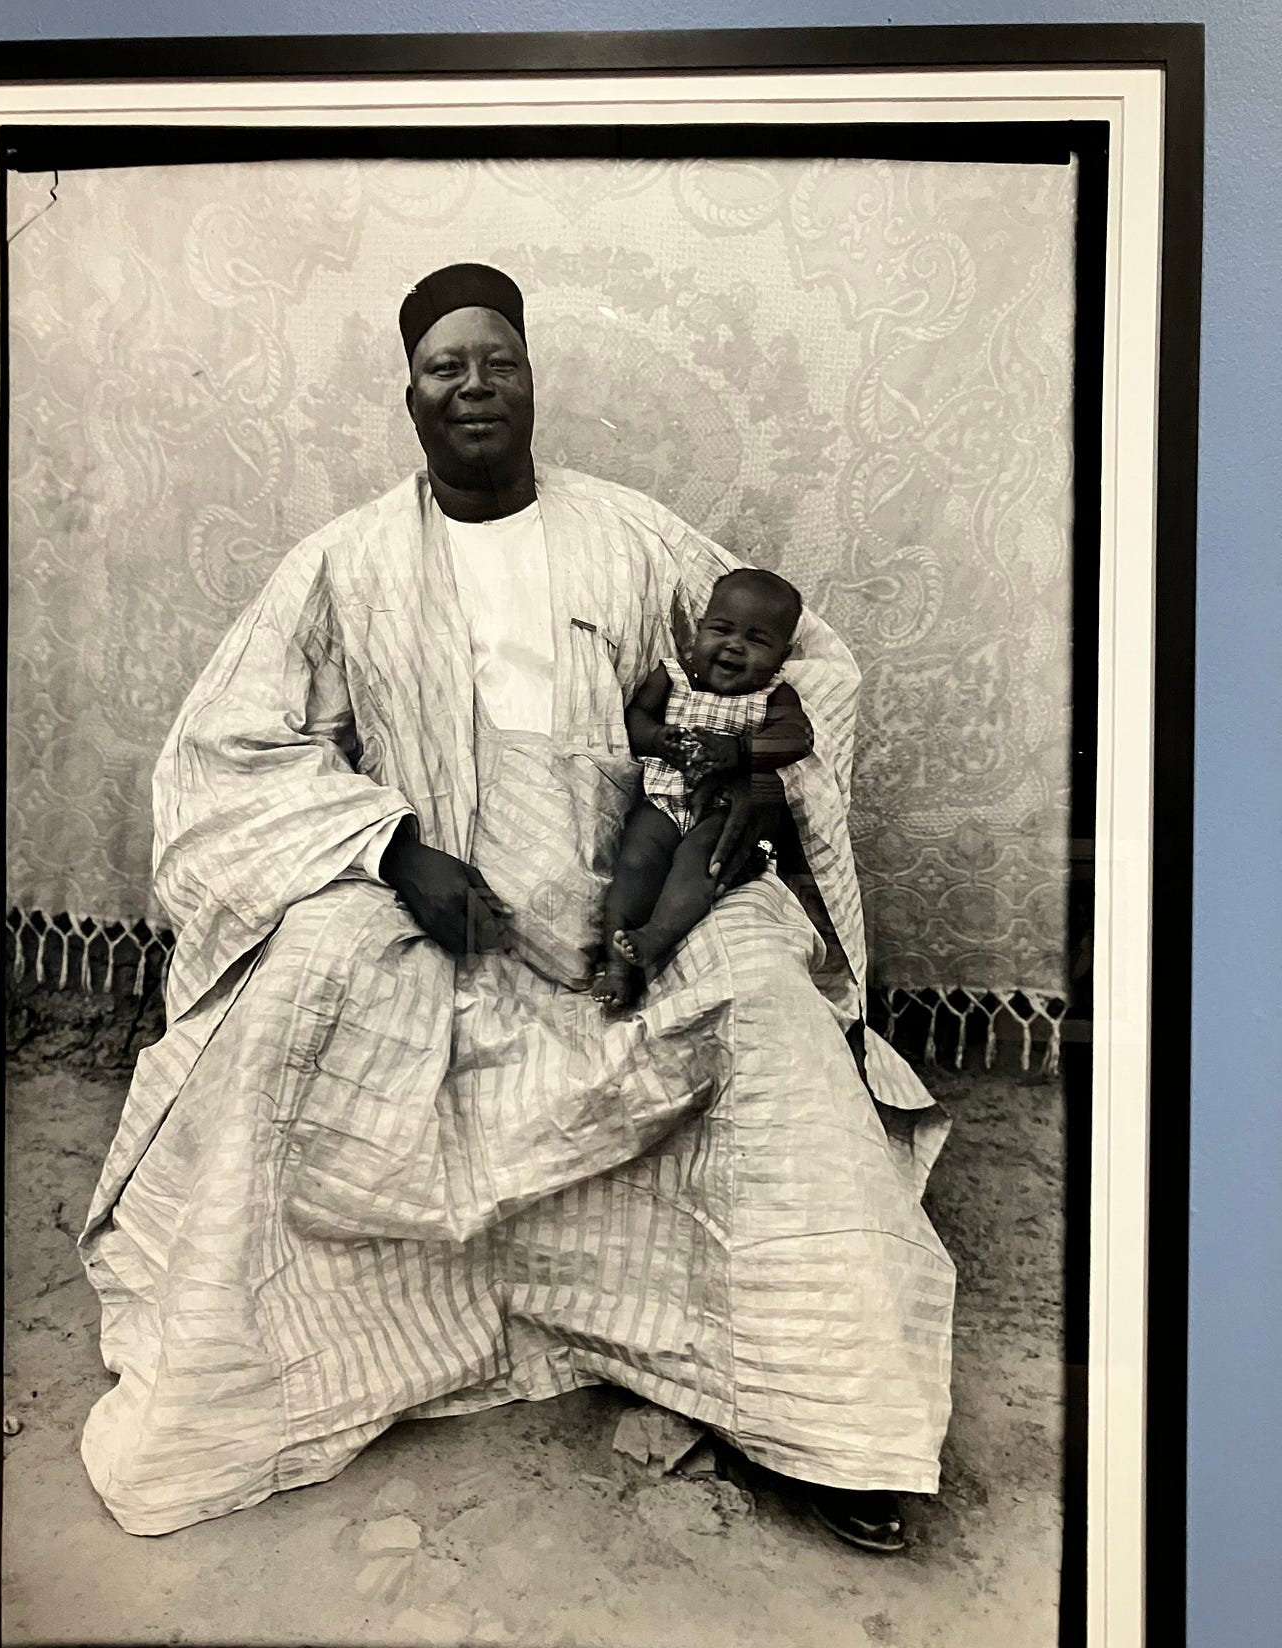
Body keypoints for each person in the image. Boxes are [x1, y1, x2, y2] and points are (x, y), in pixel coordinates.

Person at [78, 262, 956, 1557]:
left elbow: (808, 659)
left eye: (498, 359)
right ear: (413, 395)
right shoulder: (346, 563)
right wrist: (389, 849)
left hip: (638, 875)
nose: (474, 383)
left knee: (766, 987)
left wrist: (752, 748)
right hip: (439, 891)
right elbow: (232, 749)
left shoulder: (633, 535)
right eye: (447, 365)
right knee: (297, 987)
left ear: (532, 380)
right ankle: (250, 1384)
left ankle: (824, 1415)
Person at [592, 566, 814, 1013]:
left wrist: (742, 749)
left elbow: (798, 737)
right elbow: (633, 722)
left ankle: (655, 937)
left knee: (698, 865)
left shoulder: (773, 694)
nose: (734, 646)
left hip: (720, 812)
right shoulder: (671, 677)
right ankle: (617, 965)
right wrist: (656, 738)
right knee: (635, 861)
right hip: (661, 800)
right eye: (722, 629)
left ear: (781, 656)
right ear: (698, 631)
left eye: (757, 641)